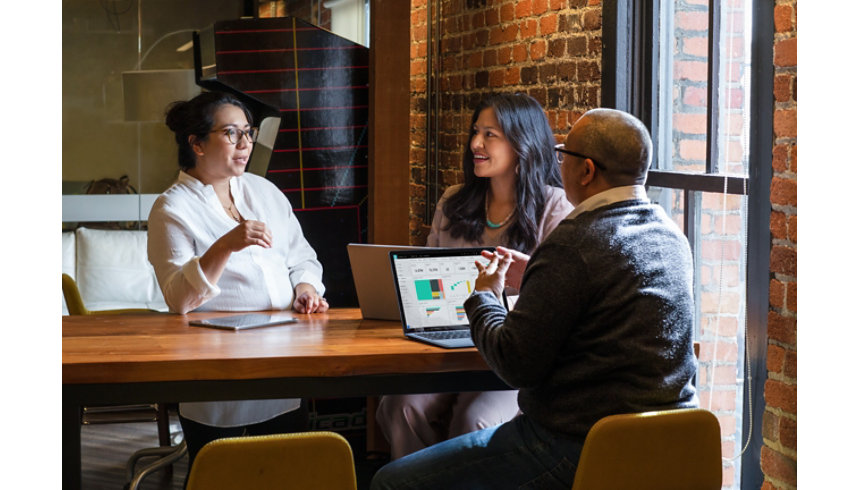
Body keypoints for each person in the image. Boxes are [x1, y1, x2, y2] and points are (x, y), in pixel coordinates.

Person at [370, 108, 699, 489]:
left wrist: (484, 296)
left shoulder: (575, 240)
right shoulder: (671, 236)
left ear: (587, 171)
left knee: (389, 483)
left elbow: (514, 364)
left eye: (564, 156)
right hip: (667, 447)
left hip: (573, 448)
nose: (558, 165)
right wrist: (537, 274)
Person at [375, 93, 573, 460]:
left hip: (509, 356)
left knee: (475, 419)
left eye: (490, 135)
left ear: (522, 142)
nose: (475, 145)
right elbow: (428, 277)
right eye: (476, 132)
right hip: (447, 348)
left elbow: (558, 297)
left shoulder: (555, 208)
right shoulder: (454, 202)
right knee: (401, 406)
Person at [147, 91, 329, 480]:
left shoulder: (263, 191)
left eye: (249, 132)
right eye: (232, 133)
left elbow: (302, 258)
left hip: (282, 355)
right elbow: (179, 298)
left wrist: (307, 289)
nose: (246, 144)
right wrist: (227, 243)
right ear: (196, 143)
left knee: (288, 475)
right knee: (219, 476)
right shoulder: (171, 208)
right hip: (217, 365)